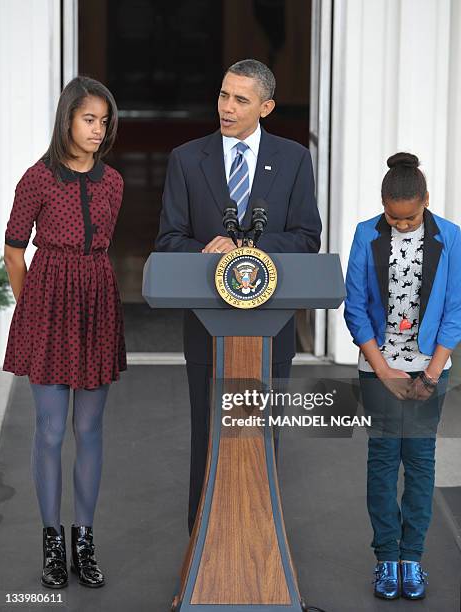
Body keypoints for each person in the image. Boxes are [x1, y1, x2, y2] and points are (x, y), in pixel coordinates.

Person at [155, 58, 321, 534]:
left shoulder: (292, 159)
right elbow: (170, 240)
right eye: (223, 95)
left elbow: (307, 237)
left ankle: (260, 544)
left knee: (260, 436)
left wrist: (247, 250)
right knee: (208, 436)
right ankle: (201, 549)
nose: (227, 107)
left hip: (272, 328)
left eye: (240, 100)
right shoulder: (187, 158)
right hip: (208, 329)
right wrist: (214, 251)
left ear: (265, 107)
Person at [3, 76, 126, 589]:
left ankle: (84, 539)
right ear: (67, 120)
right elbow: (14, 249)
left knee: (90, 431)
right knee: (50, 431)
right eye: (88, 119)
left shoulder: (113, 182)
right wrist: (34, 306)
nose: (97, 130)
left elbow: (98, 247)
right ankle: (52, 539)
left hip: (96, 301)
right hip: (48, 306)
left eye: (103, 121)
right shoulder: (37, 178)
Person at [344, 152, 461, 600]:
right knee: (382, 460)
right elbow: (355, 306)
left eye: (410, 218)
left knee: (420, 460)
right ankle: (385, 559)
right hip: (378, 367)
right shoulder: (365, 234)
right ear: (383, 205)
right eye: (394, 217)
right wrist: (382, 369)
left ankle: (412, 558)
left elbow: (454, 310)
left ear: (425, 202)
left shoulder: (449, 237)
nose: (402, 224)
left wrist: (429, 375)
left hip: (431, 368)